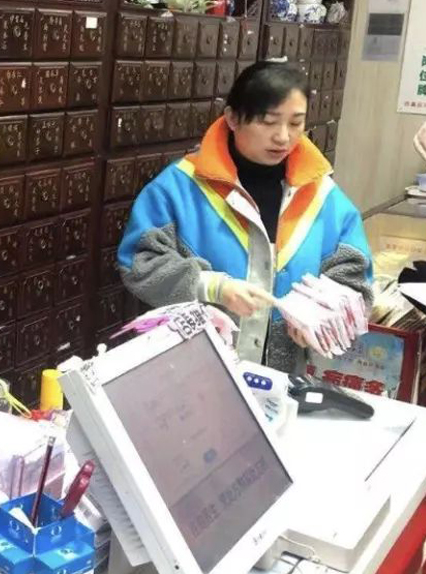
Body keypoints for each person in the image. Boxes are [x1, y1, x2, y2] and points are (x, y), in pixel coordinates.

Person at [116, 58, 372, 371]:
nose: (283, 137)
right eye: (268, 122)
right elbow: (140, 262)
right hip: (192, 370)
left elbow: (354, 278)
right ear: (233, 118)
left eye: (296, 123)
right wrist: (214, 288)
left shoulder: (322, 195)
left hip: (282, 375)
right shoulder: (180, 186)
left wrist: (322, 316)